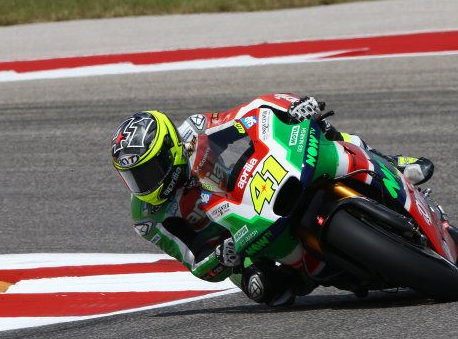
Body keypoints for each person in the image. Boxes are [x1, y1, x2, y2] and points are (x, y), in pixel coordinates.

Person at [110, 94, 434, 306]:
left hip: (252, 188)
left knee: (318, 128)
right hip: (235, 241)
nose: (144, 183)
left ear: (170, 150)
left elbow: (249, 115)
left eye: (150, 170)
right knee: (266, 291)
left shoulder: (194, 132)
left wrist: (291, 108)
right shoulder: (147, 217)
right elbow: (194, 260)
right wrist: (222, 256)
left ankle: (389, 162)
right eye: (134, 177)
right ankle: (341, 271)